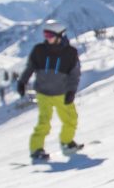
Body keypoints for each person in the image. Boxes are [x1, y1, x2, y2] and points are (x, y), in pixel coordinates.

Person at [16, 19, 82, 162]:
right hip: (43, 93)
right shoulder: (39, 50)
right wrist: (22, 81)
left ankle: (66, 142)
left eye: (49, 35)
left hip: (62, 94)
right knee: (44, 122)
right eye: (45, 35)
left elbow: (74, 75)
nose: (47, 38)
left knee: (71, 120)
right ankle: (36, 149)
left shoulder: (70, 53)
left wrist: (71, 91)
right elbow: (30, 67)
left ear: (60, 35)